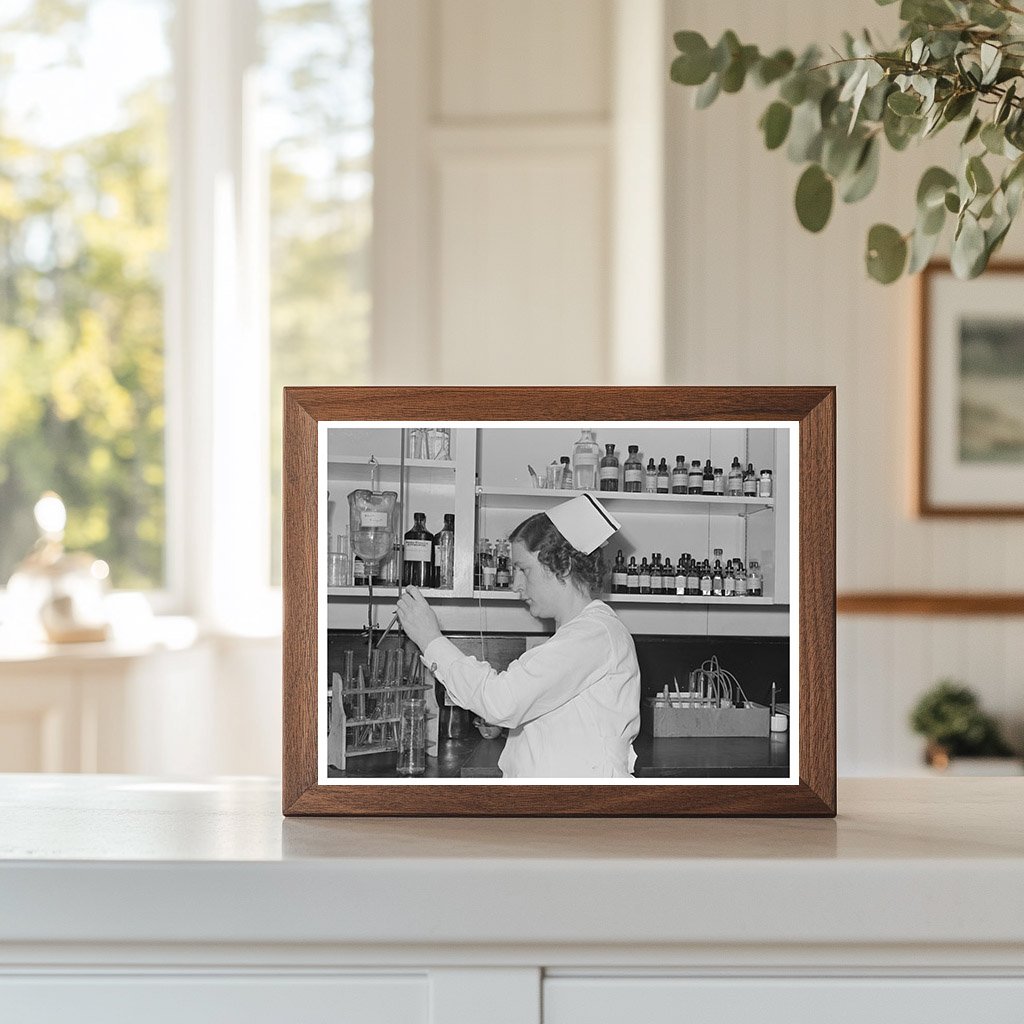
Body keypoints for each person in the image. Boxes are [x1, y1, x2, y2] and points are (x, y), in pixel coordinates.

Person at [396, 494, 641, 778]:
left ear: (562, 567)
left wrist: (430, 639)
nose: (516, 585)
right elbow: (565, 717)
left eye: (524, 569)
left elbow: (502, 701)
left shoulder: (594, 634)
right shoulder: (580, 634)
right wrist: (515, 727)